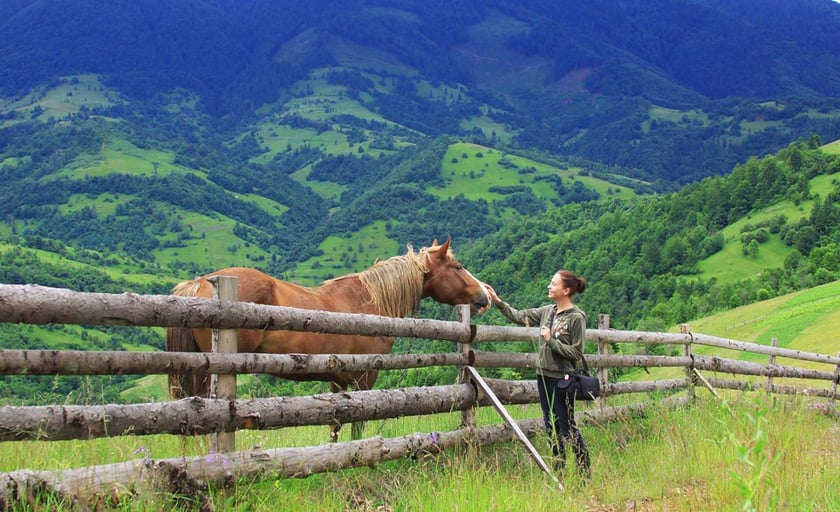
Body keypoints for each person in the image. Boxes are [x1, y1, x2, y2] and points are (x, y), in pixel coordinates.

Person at [483, 270, 591, 477]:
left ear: (566, 290)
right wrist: (498, 301)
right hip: (543, 377)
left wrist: (551, 340)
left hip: (562, 379)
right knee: (551, 426)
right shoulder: (547, 311)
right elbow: (519, 316)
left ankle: (584, 473)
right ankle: (558, 472)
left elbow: (576, 353)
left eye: (553, 284)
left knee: (567, 427)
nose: (549, 286)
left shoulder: (576, 318)